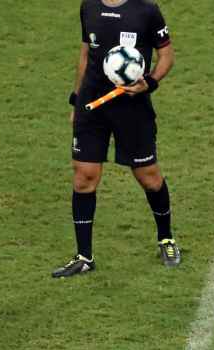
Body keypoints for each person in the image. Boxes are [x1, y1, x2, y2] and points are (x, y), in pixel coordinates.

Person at [53, 0, 179, 277]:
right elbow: (85, 55)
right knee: (84, 176)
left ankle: (166, 238)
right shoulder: (89, 7)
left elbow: (166, 55)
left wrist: (150, 83)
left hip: (132, 109)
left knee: (149, 176)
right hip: (93, 106)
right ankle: (84, 257)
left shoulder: (147, 10)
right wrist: (76, 101)